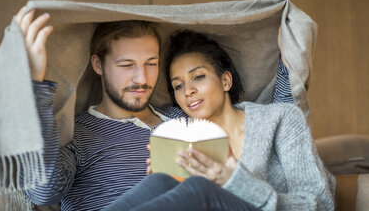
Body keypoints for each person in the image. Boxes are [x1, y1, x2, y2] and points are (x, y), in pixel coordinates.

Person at [103, 30, 336, 211]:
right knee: (160, 182)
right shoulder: (185, 140)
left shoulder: (280, 119)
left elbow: (321, 206)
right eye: (178, 86)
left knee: (199, 187)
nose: (188, 91)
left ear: (226, 81)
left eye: (199, 77)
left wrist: (235, 181)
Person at [14, 7, 186, 211]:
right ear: (98, 64)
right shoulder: (76, 133)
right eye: (126, 65)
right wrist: (33, 86)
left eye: (151, 63)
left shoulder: (182, 118)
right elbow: (44, 193)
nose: (142, 78)